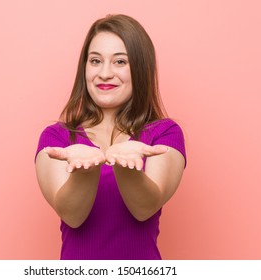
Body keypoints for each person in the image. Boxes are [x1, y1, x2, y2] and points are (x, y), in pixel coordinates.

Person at [35, 14, 186, 260]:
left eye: (120, 62)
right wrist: (86, 170)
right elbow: (72, 216)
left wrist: (125, 165)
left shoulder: (164, 134)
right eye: (95, 61)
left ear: (140, 68)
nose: (104, 73)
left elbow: (144, 209)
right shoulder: (57, 139)